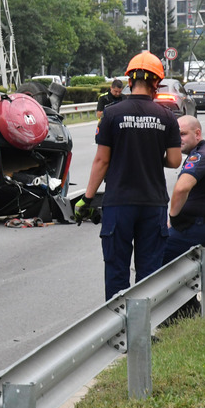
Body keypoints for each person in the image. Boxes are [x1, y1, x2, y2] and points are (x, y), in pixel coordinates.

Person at [75, 52, 182, 300]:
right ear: (156, 82)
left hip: (118, 203)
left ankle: (118, 332)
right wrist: (152, 156)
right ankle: (145, 332)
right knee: (149, 272)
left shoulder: (112, 114)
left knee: (116, 270)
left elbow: (102, 160)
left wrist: (87, 199)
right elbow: (175, 160)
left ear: (129, 80)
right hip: (152, 203)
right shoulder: (167, 116)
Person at [163, 115, 205, 318]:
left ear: (197, 133)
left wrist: (173, 220)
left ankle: (178, 311)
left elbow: (181, 189)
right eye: (176, 135)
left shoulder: (201, 156)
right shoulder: (204, 154)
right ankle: (187, 306)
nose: (178, 139)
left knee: (154, 252)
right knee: (170, 251)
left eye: (183, 134)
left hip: (204, 227)